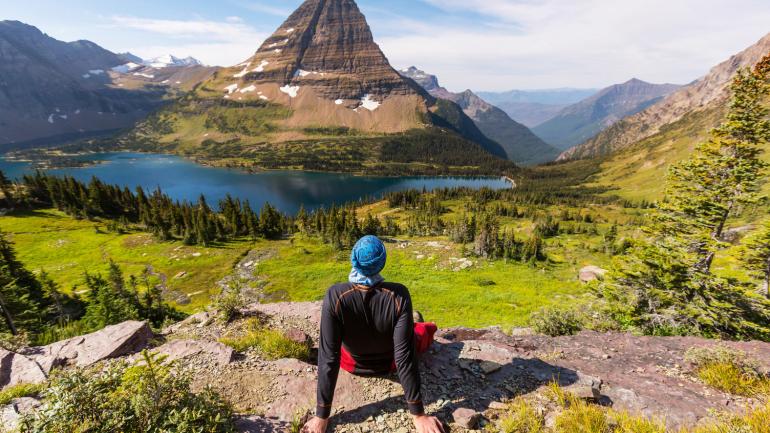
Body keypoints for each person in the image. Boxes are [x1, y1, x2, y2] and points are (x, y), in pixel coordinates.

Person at [302, 236, 445, 433]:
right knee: (423, 330)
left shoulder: (335, 295)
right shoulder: (399, 295)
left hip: (351, 364)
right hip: (390, 364)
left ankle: (416, 321)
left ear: (353, 259)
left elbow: (328, 356)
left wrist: (321, 416)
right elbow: (404, 357)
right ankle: (425, 323)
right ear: (382, 263)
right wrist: (418, 415)